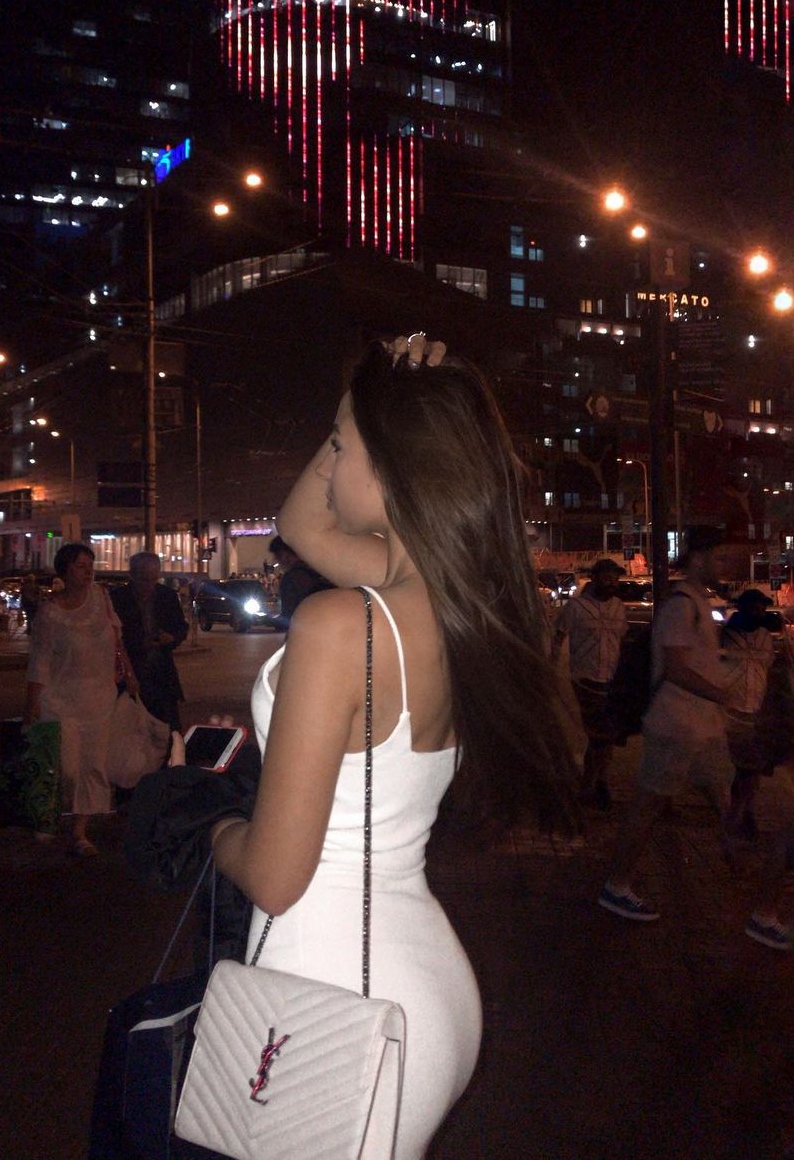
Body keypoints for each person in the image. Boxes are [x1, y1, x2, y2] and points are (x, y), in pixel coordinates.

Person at [169, 333, 578, 1158]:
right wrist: (380, 395)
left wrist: (203, 815)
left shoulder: (342, 623)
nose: (326, 465)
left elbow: (277, 877)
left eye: (339, 444)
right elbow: (298, 523)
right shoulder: (459, 599)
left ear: (392, 468)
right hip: (421, 982)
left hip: (329, 989)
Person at [600, 527, 790, 950]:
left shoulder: (701, 603)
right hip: (675, 725)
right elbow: (676, 668)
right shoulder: (681, 605)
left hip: (700, 729)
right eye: (719, 558)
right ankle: (617, 884)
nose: (725, 567)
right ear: (699, 558)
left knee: (723, 798)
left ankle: (749, 890)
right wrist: (721, 692)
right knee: (648, 806)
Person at [26, 542, 138, 856]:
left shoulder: (101, 598)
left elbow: (117, 640)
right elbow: (40, 661)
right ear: (64, 571)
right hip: (61, 700)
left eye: (90, 565)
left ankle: (80, 832)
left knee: (93, 767)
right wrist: (32, 702)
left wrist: (129, 673)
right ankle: (49, 812)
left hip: (99, 698)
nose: (88, 572)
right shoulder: (50, 613)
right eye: (80, 566)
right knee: (67, 769)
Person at [553, 557, 629, 810]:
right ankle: (598, 784)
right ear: (595, 579)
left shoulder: (619, 607)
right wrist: (552, 666)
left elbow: (622, 639)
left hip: (611, 679)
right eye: (607, 578)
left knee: (602, 735)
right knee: (601, 732)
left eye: (615, 578)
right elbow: (559, 635)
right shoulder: (576, 607)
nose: (612, 583)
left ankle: (591, 783)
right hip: (586, 678)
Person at [720, 589, 777, 839]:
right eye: (754, 608)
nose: (759, 613)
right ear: (742, 609)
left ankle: (747, 812)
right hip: (730, 711)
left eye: (762, 609)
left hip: (754, 709)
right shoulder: (725, 636)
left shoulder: (765, 637)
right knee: (737, 768)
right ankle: (735, 814)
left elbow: (768, 670)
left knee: (752, 769)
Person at [110, 552, 188, 732]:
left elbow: (181, 627)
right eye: (144, 579)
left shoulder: (166, 596)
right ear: (133, 575)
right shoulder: (118, 598)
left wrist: (172, 638)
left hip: (161, 673)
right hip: (131, 671)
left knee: (168, 730)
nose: (149, 585)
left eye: (154, 578)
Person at [267, 534, 332, 624]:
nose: (276, 560)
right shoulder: (320, 572)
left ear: (284, 555)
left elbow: (289, 616)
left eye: (277, 556)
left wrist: (265, 621)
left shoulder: (292, 578)